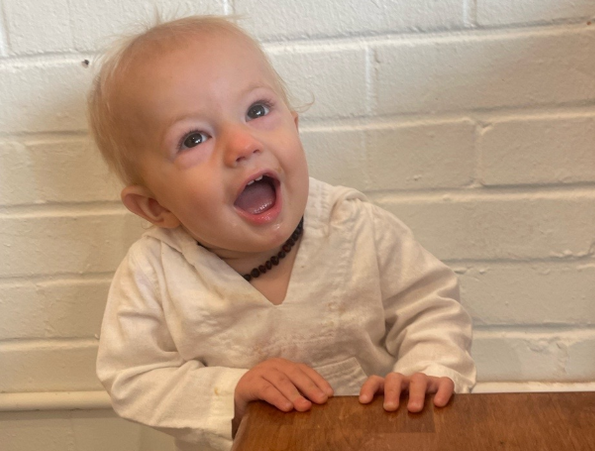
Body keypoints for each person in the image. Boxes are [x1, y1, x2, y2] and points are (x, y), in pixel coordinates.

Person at [89, 15, 476, 451]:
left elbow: (430, 307)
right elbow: (134, 378)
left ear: (294, 125)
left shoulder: (354, 226)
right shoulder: (153, 273)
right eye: (194, 138)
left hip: (376, 439)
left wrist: (427, 370)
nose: (243, 145)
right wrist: (232, 390)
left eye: (257, 111)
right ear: (155, 206)